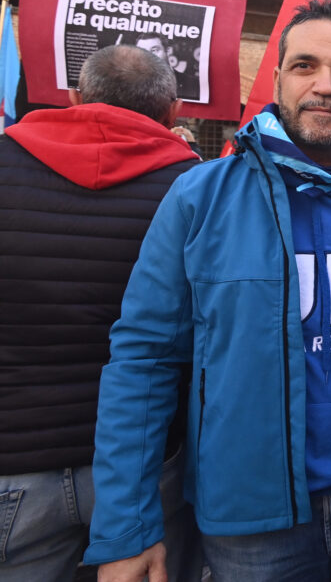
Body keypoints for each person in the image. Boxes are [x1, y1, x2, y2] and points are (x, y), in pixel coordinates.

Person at [84, 0, 331, 582]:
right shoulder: (199, 197)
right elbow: (144, 360)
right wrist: (126, 525)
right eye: (305, 66)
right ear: (276, 80)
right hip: (253, 523)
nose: (325, 85)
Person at [0, 45, 200, 582]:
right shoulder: (196, 188)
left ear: (73, 97)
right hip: (152, 464)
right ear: (174, 111)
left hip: (17, 461)